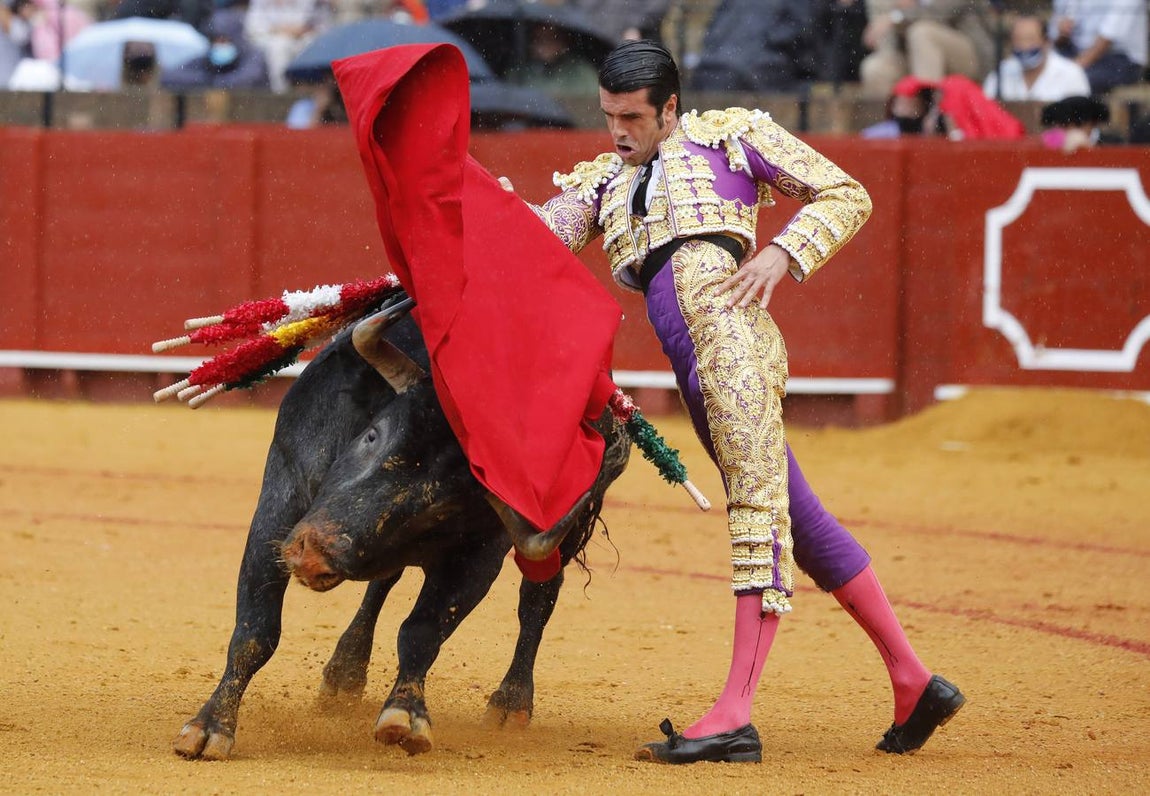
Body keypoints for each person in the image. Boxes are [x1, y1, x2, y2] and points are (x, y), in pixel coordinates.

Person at [514, 40, 964, 763]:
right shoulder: (604, 180)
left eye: (632, 116)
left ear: (669, 108)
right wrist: (481, 203)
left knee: (757, 515)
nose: (618, 131)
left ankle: (734, 714)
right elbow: (537, 239)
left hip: (734, 351)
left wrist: (782, 254)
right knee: (803, 523)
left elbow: (848, 193)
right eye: (607, 117)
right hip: (695, 370)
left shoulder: (733, 137)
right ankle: (913, 681)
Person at [859, 0, 993, 98]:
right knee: (875, 68)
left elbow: (937, 11)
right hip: (915, 58)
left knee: (922, 33)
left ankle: (929, 114)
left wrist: (896, 16)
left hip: (968, 56)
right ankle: (891, 128)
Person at [983, 13, 1091, 102]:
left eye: (1030, 39)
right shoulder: (1000, 74)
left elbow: (1082, 122)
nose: (1024, 46)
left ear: (1046, 42)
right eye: (1018, 39)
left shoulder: (1071, 73)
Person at [1049, 0, 1147, 96]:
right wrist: (1061, 33)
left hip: (1120, 59)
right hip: (1076, 52)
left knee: (1074, 83)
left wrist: (1070, 71)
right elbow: (1054, 36)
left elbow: (1107, 38)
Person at [161, 6, 271, 90]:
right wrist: (205, 79)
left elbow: (249, 78)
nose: (219, 45)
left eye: (224, 40)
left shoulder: (253, 56)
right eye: (215, 40)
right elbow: (169, 76)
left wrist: (216, 83)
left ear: (236, 39)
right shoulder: (208, 59)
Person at [244, 0, 331, 92]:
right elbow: (253, 27)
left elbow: (306, 25)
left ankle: (313, 89)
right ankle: (282, 92)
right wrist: (281, 29)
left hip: (307, 37)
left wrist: (296, 29)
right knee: (279, 46)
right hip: (272, 39)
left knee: (310, 43)